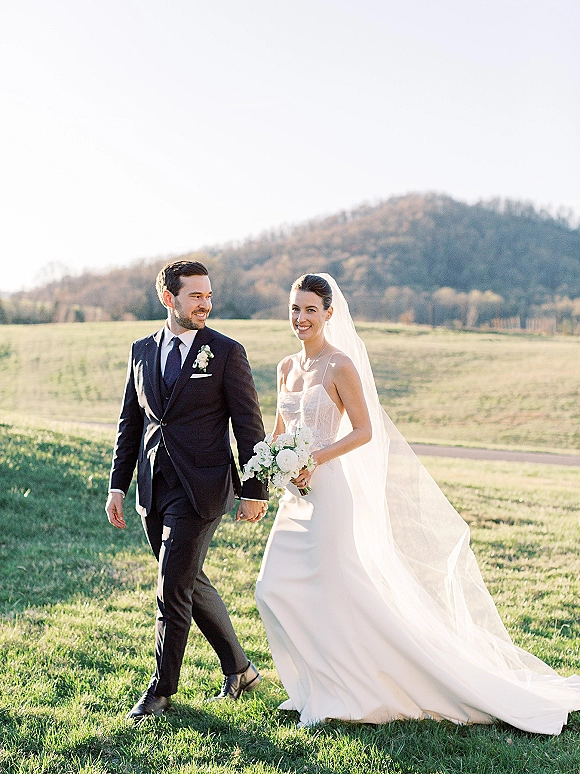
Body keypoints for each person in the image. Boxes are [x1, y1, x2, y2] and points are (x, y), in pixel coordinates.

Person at [255, 273, 580, 734]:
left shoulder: (340, 366)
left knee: (334, 594)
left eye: (311, 309)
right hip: (296, 498)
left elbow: (365, 431)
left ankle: (342, 692)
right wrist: (273, 464)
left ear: (329, 314)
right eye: (295, 309)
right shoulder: (287, 367)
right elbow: (279, 432)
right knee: (272, 590)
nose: (301, 318)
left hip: (329, 494)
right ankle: (315, 685)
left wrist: (315, 459)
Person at [106, 260, 268, 722]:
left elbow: (248, 425)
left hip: (203, 488)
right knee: (188, 581)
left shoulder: (226, 352)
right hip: (153, 488)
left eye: (209, 295)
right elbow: (130, 422)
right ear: (169, 298)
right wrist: (118, 483)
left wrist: (255, 489)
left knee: (170, 587)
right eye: (196, 295)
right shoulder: (141, 350)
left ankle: (160, 690)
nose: (206, 304)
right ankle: (240, 668)